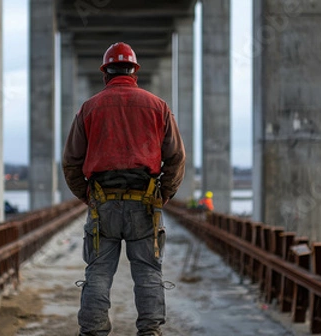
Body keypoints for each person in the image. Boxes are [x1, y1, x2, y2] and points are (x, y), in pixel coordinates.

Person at [63, 42, 186, 336]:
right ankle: (150, 331)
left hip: (103, 205)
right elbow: (176, 158)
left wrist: (88, 197)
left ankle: (93, 331)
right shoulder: (158, 107)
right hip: (144, 204)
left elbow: (71, 162)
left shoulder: (89, 108)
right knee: (147, 272)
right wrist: (163, 194)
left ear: (106, 73)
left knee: (98, 273)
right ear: (135, 72)